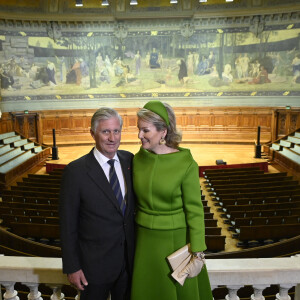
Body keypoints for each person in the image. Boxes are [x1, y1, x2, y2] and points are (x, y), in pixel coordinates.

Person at [130, 100, 213, 300]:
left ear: (163, 132)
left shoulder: (186, 163)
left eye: (145, 130)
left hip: (176, 242)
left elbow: (195, 210)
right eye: (139, 130)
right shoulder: (136, 159)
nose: (140, 135)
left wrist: (198, 250)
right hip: (144, 240)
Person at [59, 107, 135, 300]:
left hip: (128, 266)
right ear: (92, 133)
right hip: (93, 269)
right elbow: (67, 225)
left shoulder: (130, 160)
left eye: (116, 131)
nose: (112, 138)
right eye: (105, 131)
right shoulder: (75, 171)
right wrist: (72, 266)